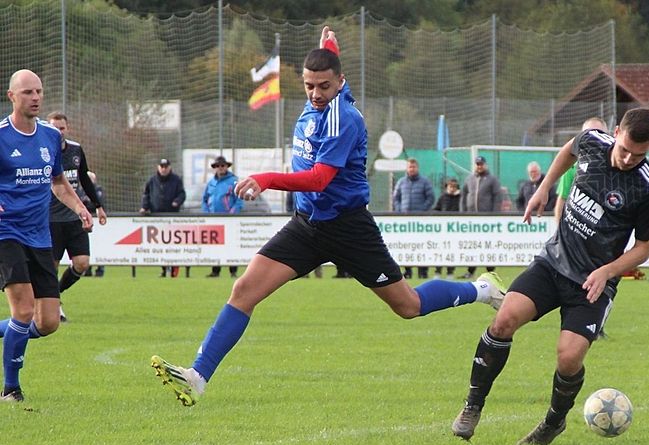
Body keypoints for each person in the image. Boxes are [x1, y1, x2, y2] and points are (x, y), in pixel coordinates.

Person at [150, 26, 506, 407]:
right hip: (307, 226)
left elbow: (320, 179)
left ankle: (481, 289)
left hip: (349, 227)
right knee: (243, 291)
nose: (315, 94)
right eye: (308, 86)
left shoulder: (344, 118)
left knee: (408, 307)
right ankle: (198, 375)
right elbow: (326, 67)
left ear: (340, 83)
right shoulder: (319, 99)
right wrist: (328, 45)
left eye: (323, 86)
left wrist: (266, 179)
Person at [450, 107, 649, 445]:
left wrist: (607, 271)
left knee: (568, 357)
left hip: (592, 285)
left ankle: (553, 422)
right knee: (504, 319)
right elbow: (568, 150)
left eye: (637, 154)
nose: (626, 159)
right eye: (624, 149)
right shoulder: (593, 141)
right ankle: (472, 405)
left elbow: (644, 248)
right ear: (617, 132)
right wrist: (544, 188)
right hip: (553, 263)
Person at [0, 69, 93, 402]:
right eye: (27, 92)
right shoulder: (0, 135)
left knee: (48, 322)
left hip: (40, 236)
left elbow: (58, 182)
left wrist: (80, 207)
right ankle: (11, 388)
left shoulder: (51, 137)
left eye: (39, 91)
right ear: (12, 96)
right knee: (23, 311)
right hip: (6, 233)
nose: (35, 97)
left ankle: (7, 334)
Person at [45, 111, 108, 322]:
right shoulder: (42, 151)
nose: (58, 132)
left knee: (82, 263)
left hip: (73, 217)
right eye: (54, 128)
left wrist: (97, 206)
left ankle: (56, 295)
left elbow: (85, 179)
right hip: (50, 219)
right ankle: (55, 307)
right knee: (50, 267)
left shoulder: (76, 150)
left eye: (61, 128)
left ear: (67, 128)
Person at [554, 117, 609, 221]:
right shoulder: (572, 168)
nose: (594, 139)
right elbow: (562, 200)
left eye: (599, 134)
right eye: (588, 135)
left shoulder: (617, 167)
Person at [140, 157, 186, 277]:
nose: (164, 169)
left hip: (172, 217)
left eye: (166, 167)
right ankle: (164, 269)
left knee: (173, 245)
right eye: (162, 166)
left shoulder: (176, 180)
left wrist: (177, 201)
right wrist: (144, 207)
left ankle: (174, 269)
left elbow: (182, 194)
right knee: (160, 246)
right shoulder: (152, 180)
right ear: (158, 167)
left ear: (170, 167)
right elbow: (146, 194)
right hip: (157, 217)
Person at [458, 155, 501, 279]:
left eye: (481, 164)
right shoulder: (469, 179)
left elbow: (497, 198)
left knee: (488, 245)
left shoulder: (492, 180)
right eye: (477, 164)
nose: (479, 166)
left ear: (485, 165)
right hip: (472, 220)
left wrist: (494, 215)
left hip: (487, 219)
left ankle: (490, 272)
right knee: (472, 245)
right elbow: (464, 196)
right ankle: (470, 271)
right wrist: (463, 213)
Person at [392, 158, 435, 279]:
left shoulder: (425, 182)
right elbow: (396, 198)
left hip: (420, 222)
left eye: (413, 167)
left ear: (417, 168)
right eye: (410, 167)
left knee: (421, 245)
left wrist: (421, 211)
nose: (412, 169)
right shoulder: (401, 182)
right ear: (407, 168)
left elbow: (430, 198)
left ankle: (423, 271)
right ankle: (408, 270)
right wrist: (400, 211)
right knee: (407, 245)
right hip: (405, 221)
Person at [202, 156, 243, 278]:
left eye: (222, 165)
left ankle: (233, 271)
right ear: (215, 168)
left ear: (227, 167)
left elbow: (239, 200)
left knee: (231, 244)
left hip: (229, 219)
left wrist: (232, 213)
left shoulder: (233, 181)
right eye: (218, 166)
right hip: (214, 219)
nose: (220, 168)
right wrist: (207, 213)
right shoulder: (211, 183)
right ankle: (215, 270)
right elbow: (204, 199)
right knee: (215, 245)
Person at [433, 178, 460, 277]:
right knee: (441, 250)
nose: (452, 188)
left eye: (454, 186)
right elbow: (436, 209)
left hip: (455, 229)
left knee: (452, 251)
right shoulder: (442, 197)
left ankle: (450, 272)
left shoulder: (460, 198)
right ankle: (438, 271)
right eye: (450, 186)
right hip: (443, 231)